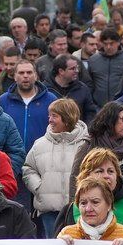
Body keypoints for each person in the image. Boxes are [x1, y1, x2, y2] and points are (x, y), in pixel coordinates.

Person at [22, 98, 91, 236]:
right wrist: (40, 188)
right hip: (49, 212)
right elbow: (28, 169)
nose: (50, 120)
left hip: (80, 209)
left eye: (54, 116)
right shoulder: (40, 144)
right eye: (49, 115)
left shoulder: (87, 144)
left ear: (67, 117)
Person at [59, 146, 123, 239]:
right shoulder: (69, 211)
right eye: (99, 171)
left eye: (110, 171)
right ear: (86, 176)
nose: (106, 176)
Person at [0, 58, 57, 154]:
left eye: (29, 72)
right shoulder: (3, 101)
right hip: (11, 159)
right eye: (21, 73)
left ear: (35, 76)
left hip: (42, 156)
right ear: (15, 76)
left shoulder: (51, 100)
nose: (25, 76)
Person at [47, 53, 99, 124]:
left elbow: (90, 113)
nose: (77, 71)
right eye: (72, 69)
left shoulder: (82, 89)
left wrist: (85, 130)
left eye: (77, 67)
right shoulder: (46, 89)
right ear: (61, 71)